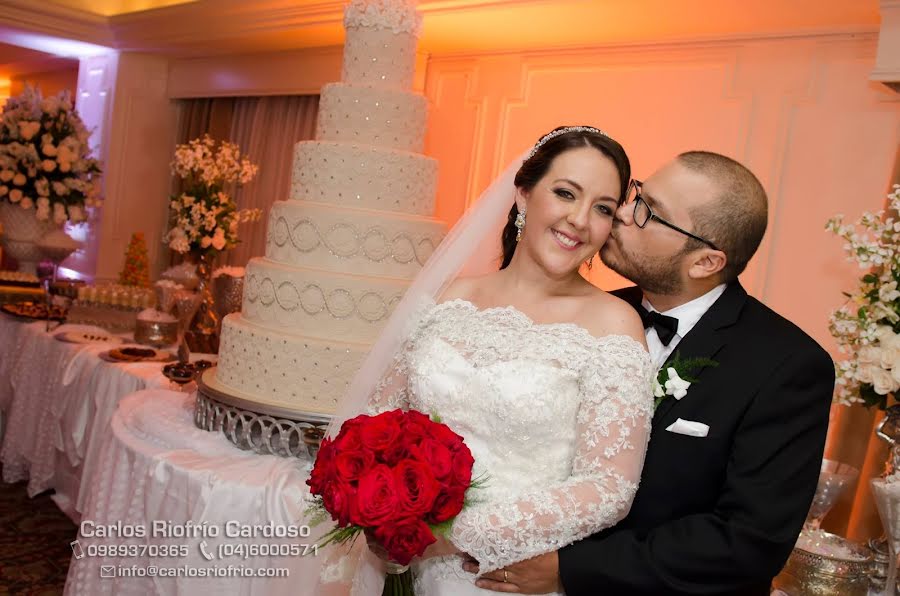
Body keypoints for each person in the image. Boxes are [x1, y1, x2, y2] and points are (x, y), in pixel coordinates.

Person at [467, 151, 835, 595]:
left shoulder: (787, 366)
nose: (621, 213)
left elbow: (746, 542)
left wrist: (571, 567)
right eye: (635, 194)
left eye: (649, 212)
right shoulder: (585, 317)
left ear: (704, 263)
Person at [318, 126, 655, 595]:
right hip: (400, 564)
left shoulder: (614, 325)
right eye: (565, 193)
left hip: (502, 576)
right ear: (523, 194)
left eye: (601, 208)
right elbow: (379, 417)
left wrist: (454, 536)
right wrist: (379, 506)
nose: (580, 219)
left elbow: (608, 487)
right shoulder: (450, 298)